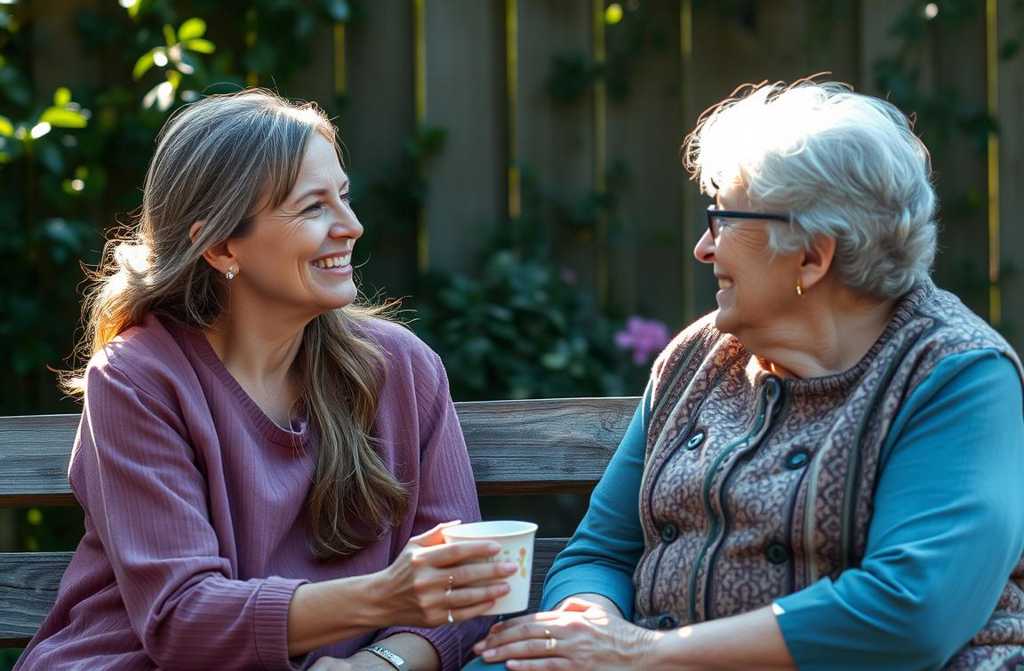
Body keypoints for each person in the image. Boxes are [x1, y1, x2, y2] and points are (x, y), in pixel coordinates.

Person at [467, 79, 1024, 670]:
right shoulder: (697, 357)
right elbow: (602, 550)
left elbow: (911, 612)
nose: (703, 248)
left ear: (813, 253)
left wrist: (645, 653)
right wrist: (590, 622)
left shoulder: (954, 375)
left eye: (722, 220)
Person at [14, 89, 515, 671]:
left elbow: (466, 596)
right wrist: (383, 595)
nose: (350, 227)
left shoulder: (403, 369)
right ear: (224, 245)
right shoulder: (139, 380)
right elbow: (183, 618)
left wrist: (373, 667)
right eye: (313, 208)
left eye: (344, 198)